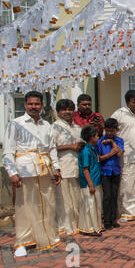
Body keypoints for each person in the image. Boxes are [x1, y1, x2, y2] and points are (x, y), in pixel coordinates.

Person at [3, 91, 62, 257]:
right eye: (30, 104)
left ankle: (45, 236)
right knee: (25, 206)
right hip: (25, 170)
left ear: (42, 105)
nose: (33, 107)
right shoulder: (15, 124)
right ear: (25, 105)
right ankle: (23, 241)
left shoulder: (47, 125)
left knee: (47, 204)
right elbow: (8, 151)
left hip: (45, 168)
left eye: (37, 104)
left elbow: (52, 149)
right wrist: (12, 172)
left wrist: (56, 168)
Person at [111, 90, 135, 222]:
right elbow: (110, 129)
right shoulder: (119, 114)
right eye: (134, 102)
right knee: (127, 185)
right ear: (128, 103)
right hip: (127, 156)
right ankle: (127, 212)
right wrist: (114, 146)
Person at [50, 99, 84, 236]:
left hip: (77, 167)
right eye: (64, 110)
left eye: (70, 109)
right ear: (58, 112)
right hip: (62, 167)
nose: (67, 112)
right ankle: (65, 226)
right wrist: (70, 147)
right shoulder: (54, 127)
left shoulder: (77, 128)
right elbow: (50, 148)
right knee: (63, 200)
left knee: (76, 198)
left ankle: (76, 224)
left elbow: (81, 145)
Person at [96, 118, 124, 230]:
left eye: (112, 131)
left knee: (114, 195)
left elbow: (119, 154)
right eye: (107, 131)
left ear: (117, 130)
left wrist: (112, 143)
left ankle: (114, 220)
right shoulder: (99, 141)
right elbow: (98, 158)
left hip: (116, 171)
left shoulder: (119, 140)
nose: (109, 133)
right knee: (107, 196)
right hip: (105, 172)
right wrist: (109, 155)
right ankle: (107, 221)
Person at [78, 126, 103, 237]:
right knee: (89, 206)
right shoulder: (86, 152)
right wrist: (91, 185)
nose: (98, 137)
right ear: (91, 137)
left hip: (96, 181)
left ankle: (95, 226)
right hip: (89, 183)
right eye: (96, 135)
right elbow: (85, 169)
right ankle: (89, 228)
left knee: (95, 205)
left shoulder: (92, 149)